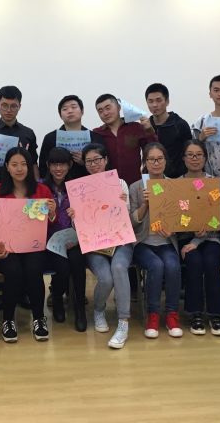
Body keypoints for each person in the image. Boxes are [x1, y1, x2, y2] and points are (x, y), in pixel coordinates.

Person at [0, 147, 56, 342]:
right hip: (7, 247)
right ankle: (8, 319)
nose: (19, 169)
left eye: (23, 164)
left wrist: (52, 212)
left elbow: (50, 224)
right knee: (13, 272)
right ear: (7, 167)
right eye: (14, 164)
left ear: (29, 167)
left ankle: (39, 318)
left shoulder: (42, 190)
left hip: (33, 245)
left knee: (34, 270)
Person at [80, 143, 134, 349]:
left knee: (119, 267)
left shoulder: (119, 183)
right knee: (105, 278)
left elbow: (126, 217)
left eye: (97, 160)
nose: (93, 164)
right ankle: (99, 309)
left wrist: (123, 204)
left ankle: (123, 322)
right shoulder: (80, 188)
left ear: (106, 160)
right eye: (89, 161)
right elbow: (80, 226)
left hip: (120, 241)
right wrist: (75, 217)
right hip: (95, 245)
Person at [128, 143, 183, 339]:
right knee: (156, 265)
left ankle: (172, 314)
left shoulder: (174, 185)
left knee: (173, 265)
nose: (156, 163)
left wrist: (174, 228)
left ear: (165, 161)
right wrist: (145, 205)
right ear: (145, 163)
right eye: (151, 159)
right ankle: (153, 314)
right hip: (143, 242)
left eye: (160, 159)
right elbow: (131, 222)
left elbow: (182, 216)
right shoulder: (136, 187)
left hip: (166, 242)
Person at [177, 140, 220, 336]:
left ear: (205, 158)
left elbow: (219, 218)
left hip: (211, 237)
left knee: (211, 260)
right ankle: (195, 312)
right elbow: (175, 215)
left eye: (198, 154)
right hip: (186, 238)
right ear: (183, 159)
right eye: (190, 155)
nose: (194, 158)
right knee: (194, 261)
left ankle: (216, 313)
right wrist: (192, 233)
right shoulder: (176, 184)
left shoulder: (214, 183)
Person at [43, 147, 88, 331]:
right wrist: (51, 214)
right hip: (49, 242)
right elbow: (34, 220)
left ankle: (80, 309)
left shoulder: (78, 188)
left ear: (70, 165)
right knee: (62, 267)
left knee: (77, 263)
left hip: (74, 239)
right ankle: (57, 299)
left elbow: (89, 217)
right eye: (54, 164)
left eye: (62, 164)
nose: (58, 169)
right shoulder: (41, 188)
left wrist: (77, 217)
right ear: (48, 165)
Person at [92, 93, 157, 185]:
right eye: (100, 111)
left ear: (119, 107)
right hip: (109, 185)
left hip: (135, 183)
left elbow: (152, 150)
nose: (105, 113)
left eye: (108, 108)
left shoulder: (135, 127)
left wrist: (149, 130)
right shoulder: (97, 133)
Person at [0, 85, 39, 183]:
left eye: (13, 106)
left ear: (19, 106)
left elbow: (33, 163)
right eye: (4, 105)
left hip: (23, 185)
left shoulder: (28, 133)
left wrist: (37, 185)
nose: (8, 110)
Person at [38, 95, 103, 181]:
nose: (70, 111)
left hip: (89, 184)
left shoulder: (95, 137)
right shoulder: (50, 138)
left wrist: (86, 162)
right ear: (60, 115)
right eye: (65, 109)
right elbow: (43, 167)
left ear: (82, 111)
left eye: (74, 107)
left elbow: (104, 167)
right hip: (59, 186)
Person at [144, 83, 192, 178]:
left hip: (177, 179)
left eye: (159, 100)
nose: (154, 105)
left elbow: (189, 153)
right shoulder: (145, 126)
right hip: (153, 179)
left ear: (167, 101)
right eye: (150, 101)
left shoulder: (180, 124)